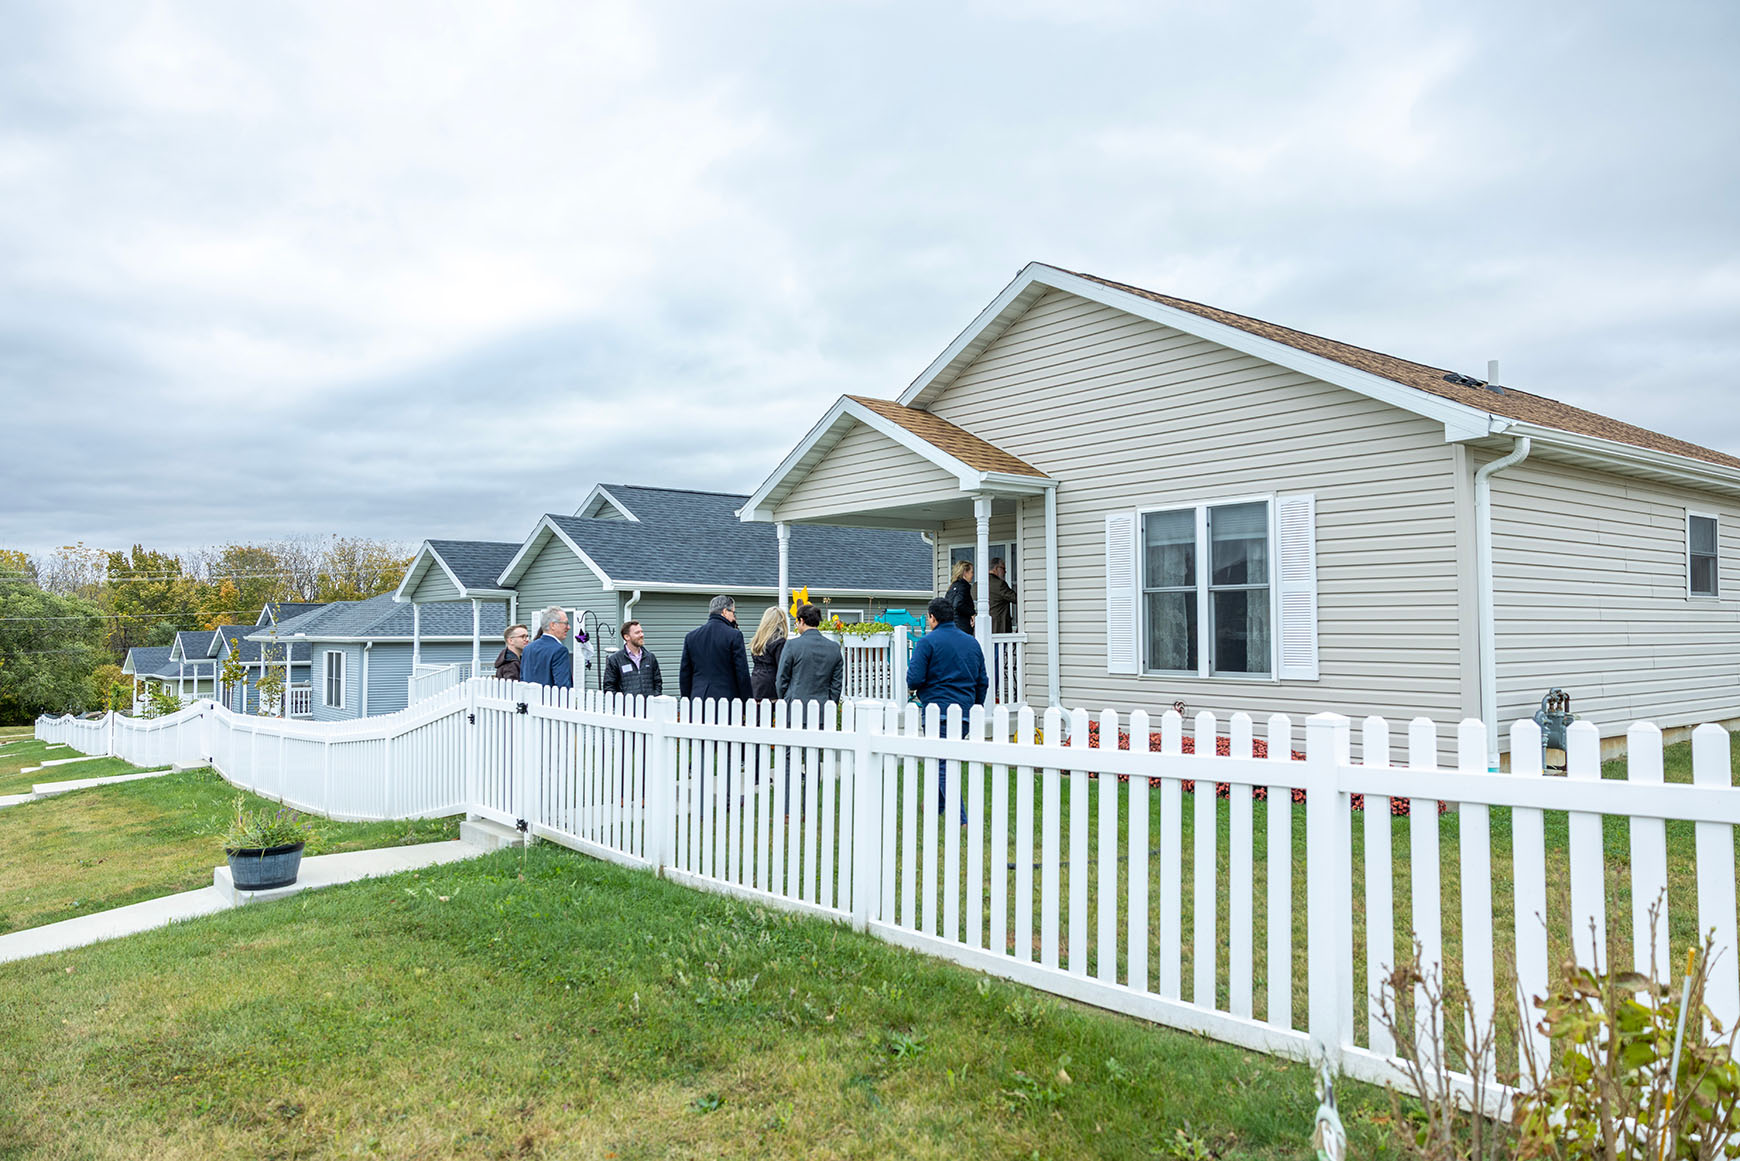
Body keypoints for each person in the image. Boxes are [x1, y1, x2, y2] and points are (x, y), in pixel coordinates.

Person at [906, 596, 988, 820]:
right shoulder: (972, 643)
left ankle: (960, 819)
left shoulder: (927, 643)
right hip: (964, 712)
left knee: (942, 763)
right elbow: (983, 681)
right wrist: (975, 705)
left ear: (932, 618)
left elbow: (913, 679)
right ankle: (935, 807)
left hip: (937, 711)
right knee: (946, 759)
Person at [678, 595, 751, 703]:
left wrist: (688, 699)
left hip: (698, 698)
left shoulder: (691, 637)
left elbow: (685, 675)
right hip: (726, 700)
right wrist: (747, 701)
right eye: (733, 613)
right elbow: (742, 673)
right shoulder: (734, 635)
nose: (734, 617)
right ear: (725, 612)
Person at [776, 603, 843, 719]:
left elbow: (781, 679)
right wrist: (830, 704)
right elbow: (836, 685)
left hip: (795, 709)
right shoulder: (834, 648)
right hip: (823, 711)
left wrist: (786, 699)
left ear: (801, 620)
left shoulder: (792, 645)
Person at [602, 619, 662, 697]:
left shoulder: (650, 657)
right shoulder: (615, 659)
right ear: (627, 637)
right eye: (637, 633)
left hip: (649, 706)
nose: (641, 635)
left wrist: (655, 698)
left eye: (641, 631)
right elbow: (609, 687)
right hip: (627, 707)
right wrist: (621, 704)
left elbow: (658, 682)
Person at [520, 607, 574, 688]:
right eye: (565, 623)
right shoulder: (559, 650)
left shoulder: (528, 648)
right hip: (550, 700)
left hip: (530, 699)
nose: (568, 627)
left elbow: (523, 679)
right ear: (553, 625)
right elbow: (563, 687)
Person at [747, 606, 787, 702]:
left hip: (756, 681)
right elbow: (781, 668)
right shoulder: (779, 641)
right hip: (771, 685)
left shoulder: (758, 640)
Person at [944, 560, 975, 634]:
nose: (973, 575)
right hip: (962, 626)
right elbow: (958, 604)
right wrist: (972, 613)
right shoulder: (964, 586)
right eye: (972, 572)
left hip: (951, 625)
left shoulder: (952, 587)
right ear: (965, 572)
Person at [988, 557, 1016, 634]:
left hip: (981, 631)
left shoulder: (977, 585)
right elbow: (1016, 598)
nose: (1005, 572)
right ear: (996, 568)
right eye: (1003, 568)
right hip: (999, 629)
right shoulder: (1000, 584)